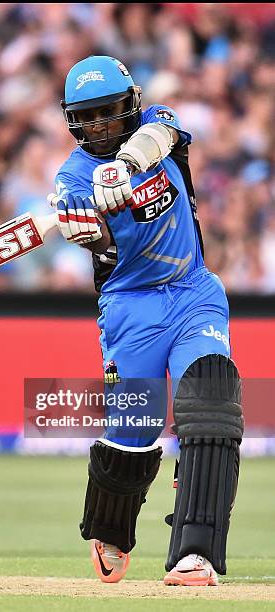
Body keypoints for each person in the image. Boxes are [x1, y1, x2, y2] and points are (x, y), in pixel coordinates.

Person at [49, 56, 243, 587]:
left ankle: (196, 553)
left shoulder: (157, 124)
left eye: (109, 114)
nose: (100, 129)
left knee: (210, 402)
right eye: (86, 119)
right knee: (133, 430)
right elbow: (102, 245)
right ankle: (110, 528)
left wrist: (126, 167)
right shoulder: (71, 177)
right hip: (131, 307)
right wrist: (88, 226)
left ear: (130, 104)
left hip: (192, 292)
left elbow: (160, 135)